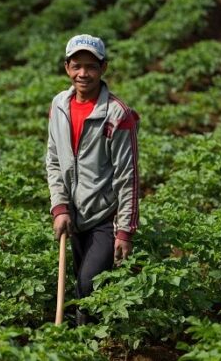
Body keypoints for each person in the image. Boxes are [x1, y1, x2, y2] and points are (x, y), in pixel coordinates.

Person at [46, 34, 140, 324]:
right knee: (81, 286)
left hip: (104, 217)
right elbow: (53, 161)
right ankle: (83, 340)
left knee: (88, 284)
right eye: (76, 66)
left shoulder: (116, 114)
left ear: (103, 68)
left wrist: (124, 230)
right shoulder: (59, 105)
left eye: (91, 66)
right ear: (66, 68)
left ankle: (87, 340)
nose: (83, 73)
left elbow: (128, 175)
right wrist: (60, 207)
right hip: (74, 215)